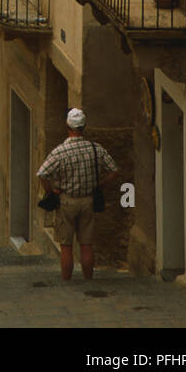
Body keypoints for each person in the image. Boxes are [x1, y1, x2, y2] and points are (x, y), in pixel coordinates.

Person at [37, 108, 119, 282]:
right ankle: (88, 280)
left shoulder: (60, 152)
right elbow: (113, 170)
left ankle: (66, 280)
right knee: (87, 244)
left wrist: (50, 191)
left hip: (66, 201)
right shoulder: (95, 149)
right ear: (84, 127)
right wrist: (100, 186)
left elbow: (42, 174)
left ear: (67, 126)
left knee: (66, 246)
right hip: (88, 200)